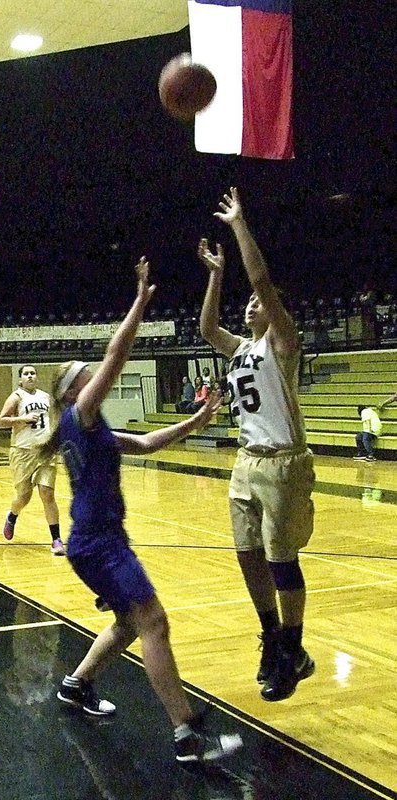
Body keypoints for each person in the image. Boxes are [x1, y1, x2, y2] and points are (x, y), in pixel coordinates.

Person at [41, 257, 242, 763]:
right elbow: (117, 351)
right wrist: (139, 302)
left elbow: (149, 442)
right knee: (154, 622)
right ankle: (186, 734)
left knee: (131, 623)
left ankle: (77, 683)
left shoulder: (93, 429)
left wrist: (195, 422)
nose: (97, 381)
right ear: (72, 392)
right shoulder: (79, 416)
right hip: (99, 543)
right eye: (87, 379)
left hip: (100, 541)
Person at [198, 186, 316, 702]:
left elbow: (263, 280)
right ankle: (271, 636)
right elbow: (206, 327)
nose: (250, 307)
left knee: (280, 559)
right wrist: (217, 275)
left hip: (284, 463)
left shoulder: (282, 341)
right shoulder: (241, 347)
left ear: (272, 311)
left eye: (255, 303)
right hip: (247, 461)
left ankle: (294, 648)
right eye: (244, 303)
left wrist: (240, 225)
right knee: (247, 554)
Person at [0, 364, 64, 555]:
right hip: (22, 452)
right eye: (26, 374)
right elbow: (1, 421)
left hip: (45, 451)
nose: (30, 376)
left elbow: (54, 419)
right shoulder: (16, 397)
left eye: (32, 373)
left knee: (47, 494)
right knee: (24, 497)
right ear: (20, 379)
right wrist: (22, 419)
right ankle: (12, 515)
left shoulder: (45, 397)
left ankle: (56, 540)